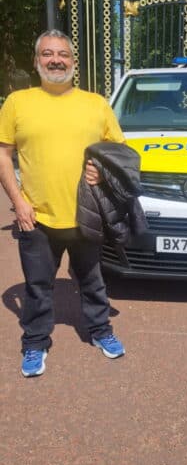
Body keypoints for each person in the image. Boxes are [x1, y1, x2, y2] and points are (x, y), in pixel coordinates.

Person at [0, 29, 126, 377]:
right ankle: (35, 342)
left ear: (73, 61)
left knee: (92, 281)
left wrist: (101, 172)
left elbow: (118, 151)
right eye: (47, 54)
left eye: (63, 54)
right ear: (36, 59)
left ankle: (101, 331)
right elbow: (3, 153)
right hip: (36, 217)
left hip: (86, 215)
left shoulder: (95, 103)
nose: (56, 60)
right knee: (38, 287)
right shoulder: (18, 102)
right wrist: (17, 201)